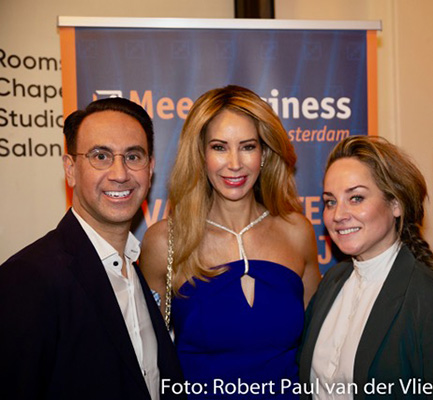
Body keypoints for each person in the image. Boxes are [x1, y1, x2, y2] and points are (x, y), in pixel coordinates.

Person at [141, 85, 321, 398]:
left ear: (264, 153)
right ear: (201, 155)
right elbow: (144, 358)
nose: (235, 163)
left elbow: (318, 347)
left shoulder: (298, 232)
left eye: (248, 146)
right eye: (220, 147)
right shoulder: (165, 241)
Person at [0, 97, 184, 400]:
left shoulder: (136, 269)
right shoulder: (28, 279)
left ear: (150, 169)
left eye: (133, 156)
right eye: (101, 156)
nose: (120, 173)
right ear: (70, 169)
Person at [298, 136, 433, 400]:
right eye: (330, 201)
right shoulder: (332, 282)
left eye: (356, 198)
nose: (338, 215)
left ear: (396, 204)